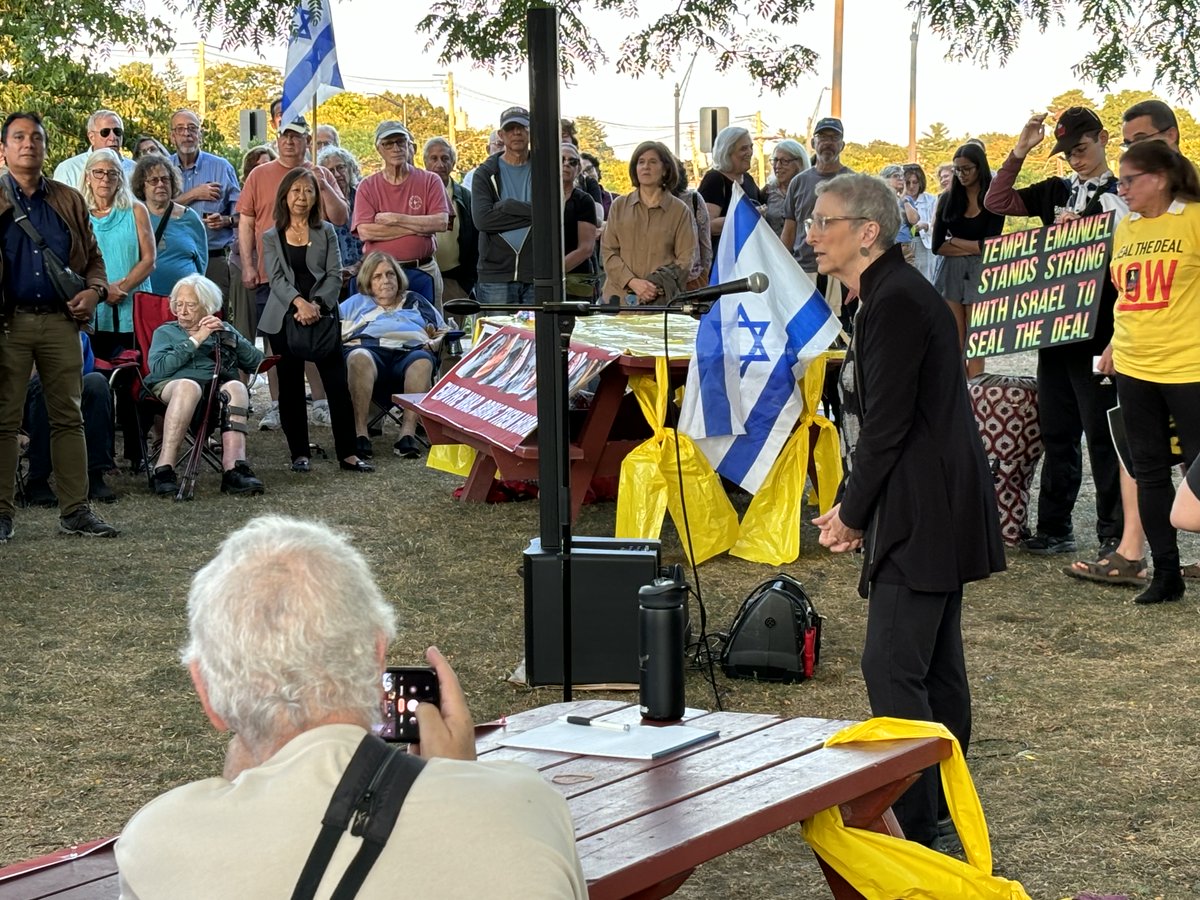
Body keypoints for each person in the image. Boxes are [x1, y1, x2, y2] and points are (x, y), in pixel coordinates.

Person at [114, 514, 588, 899]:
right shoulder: (528, 805)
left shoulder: (156, 840)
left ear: (206, 694)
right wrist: (460, 781)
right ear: (376, 655)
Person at [809, 172, 1005, 850]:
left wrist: (851, 512)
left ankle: (922, 824)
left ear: (868, 232)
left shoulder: (893, 300)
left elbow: (887, 427)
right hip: (932, 499)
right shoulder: (885, 293)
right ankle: (943, 805)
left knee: (894, 667)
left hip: (923, 506)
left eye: (824, 221)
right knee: (933, 666)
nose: (811, 233)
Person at [984, 107, 1127, 559]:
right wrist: (1020, 150)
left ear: (1103, 138)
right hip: (1055, 329)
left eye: (1081, 150)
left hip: (1101, 332)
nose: (1075, 161)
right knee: (1057, 432)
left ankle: (1114, 533)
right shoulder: (1056, 191)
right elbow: (996, 202)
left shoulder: (1122, 193)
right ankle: (1054, 526)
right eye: (1067, 154)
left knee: (1102, 435)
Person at [0, 111, 119, 541]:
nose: (28, 143)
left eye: (36, 137)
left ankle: (75, 511)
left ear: (46, 148)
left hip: (59, 322)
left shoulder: (68, 199)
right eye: (19, 137)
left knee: (69, 417)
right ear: (4, 149)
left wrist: (95, 292)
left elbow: (94, 260)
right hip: (8, 324)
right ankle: (2, 515)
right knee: (5, 420)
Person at [1105, 140, 1200, 604]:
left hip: (1189, 366)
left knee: (1196, 467)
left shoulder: (1194, 219)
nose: (1121, 189)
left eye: (1129, 180)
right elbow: (1128, 295)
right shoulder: (1127, 229)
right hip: (1134, 365)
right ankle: (1166, 573)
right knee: (1149, 470)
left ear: (1160, 178)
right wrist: (1111, 347)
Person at [237, 116, 348, 430]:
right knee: (277, 347)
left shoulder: (321, 173)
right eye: (284, 135)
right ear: (277, 138)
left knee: (317, 341)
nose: (289, 141)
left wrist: (323, 183)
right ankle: (276, 403)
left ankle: (322, 402)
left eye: (297, 136)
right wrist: (247, 263)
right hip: (271, 274)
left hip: (315, 279)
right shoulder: (260, 175)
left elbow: (341, 217)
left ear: (307, 141)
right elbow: (246, 221)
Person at [261, 167, 371, 474]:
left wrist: (318, 305)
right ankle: (299, 454)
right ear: (284, 195)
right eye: (295, 190)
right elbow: (277, 278)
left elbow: (336, 273)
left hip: (323, 315)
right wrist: (299, 303)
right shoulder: (271, 236)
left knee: (336, 384)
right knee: (291, 386)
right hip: (284, 316)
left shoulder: (326, 232)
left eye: (308, 191)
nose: (301, 197)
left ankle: (348, 454)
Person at [144, 274, 265, 497]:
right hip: (173, 386)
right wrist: (196, 339)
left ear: (207, 306)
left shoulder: (223, 329)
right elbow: (159, 369)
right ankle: (164, 469)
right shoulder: (166, 332)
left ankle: (234, 468)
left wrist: (231, 337)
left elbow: (258, 362)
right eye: (178, 304)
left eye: (190, 305)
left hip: (214, 387)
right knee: (189, 387)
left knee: (236, 388)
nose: (182, 311)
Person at [341, 252, 447, 460]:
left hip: (409, 352)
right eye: (377, 276)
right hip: (370, 352)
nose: (386, 281)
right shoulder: (354, 304)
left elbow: (443, 330)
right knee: (358, 356)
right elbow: (331, 331)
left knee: (423, 361)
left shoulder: (416, 301)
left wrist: (434, 343)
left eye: (390, 274)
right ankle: (360, 432)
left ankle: (407, 433)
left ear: (398, 278)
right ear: (368, 282)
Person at [353, 121, 450, 308]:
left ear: (409, 146)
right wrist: (418, 227)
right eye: (388, 144)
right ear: (379, 149)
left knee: (429, 329)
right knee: (383, 330)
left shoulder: (430, 180)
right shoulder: (367, 186)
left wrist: (396, 219)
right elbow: (366, 232)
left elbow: (440, 223)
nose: (396, 148)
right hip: (380, 275)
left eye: (400, 142)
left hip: (423, 269)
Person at [932, 142, 1004, 377]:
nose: (961, 175)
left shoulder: (993, 200)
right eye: (957, 170)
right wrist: (973, 247)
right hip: (951, 272)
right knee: (956, 338)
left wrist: (956, 242)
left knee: (977, 341)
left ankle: (976, 391)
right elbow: (937, 246)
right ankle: (960, 393)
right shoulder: (947, 199)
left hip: (981, 273)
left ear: (979, 167)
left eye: (966, 169)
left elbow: (991, 245)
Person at [23, 332, 116, 506]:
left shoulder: (78, 334)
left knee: (97, 382)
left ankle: (94, 474)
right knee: (44, 383)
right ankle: (37, 479)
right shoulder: (19, 331)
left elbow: (82, 374)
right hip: (27, 398)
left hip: (70, 394)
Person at [82, 148, 156, 361]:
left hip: (132, 303)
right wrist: (103, 292)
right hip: (94, 306)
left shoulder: (135, 210)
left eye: (112, 173)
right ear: (88, 176)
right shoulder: (79, 213)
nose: (105, 179)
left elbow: (149, 259)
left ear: (120, 178)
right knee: (96, 374)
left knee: (131, 373)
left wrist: (119, 288)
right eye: (99, 172)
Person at [600, 141, 695, 306]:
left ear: (665, 169)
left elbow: (685, 260)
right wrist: (632, 282)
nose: (646, 167)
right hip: (618, 303)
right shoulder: (619, 206)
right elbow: (608, 252)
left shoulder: (680, 211)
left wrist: (653, 287)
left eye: (652, 162)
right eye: (641, 162)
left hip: (661, 303)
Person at [168, 109, 241, 312]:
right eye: (180, 129)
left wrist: (225, 221)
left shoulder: (221, 167)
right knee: (175, 318)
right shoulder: (163, 169)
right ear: (172, 135)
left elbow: (242, 214)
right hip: (174, 258)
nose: (187, 134)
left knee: (215, 318)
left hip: (213, 258)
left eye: (192, 128)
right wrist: (193, 194)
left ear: (200, 134)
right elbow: (155, 210)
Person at [472, 107, 535, 305]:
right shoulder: (484, 173)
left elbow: (551, 215)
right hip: (495, 276)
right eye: (510, 128)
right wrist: (532, 213)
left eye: (522, 127)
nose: (516, 132)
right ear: (501, 135)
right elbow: (483, 221)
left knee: (538, 336)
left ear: (530, 131)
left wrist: (507, 205)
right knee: (497, 335)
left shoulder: (546, 169)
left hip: (536, 274)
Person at [132, 155, 208, 296]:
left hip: (184, 302)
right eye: (154, 180)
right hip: (145, 300)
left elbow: (201, 263)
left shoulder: (190, 218)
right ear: (142, 185)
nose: (160, 184)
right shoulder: (134, 216)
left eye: (165, 179)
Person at [226, 145, 276, 350]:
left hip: (274, 272)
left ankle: (276, 382)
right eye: (257, 166)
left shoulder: (283, 196)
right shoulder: (243, 197)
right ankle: (240, 382)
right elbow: (237, 244)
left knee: (274, 337)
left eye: (267, 164)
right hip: (245, 269)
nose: (263, 170)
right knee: (243, 334)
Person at [422, 136, 478, 303]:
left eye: (445, 158)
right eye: (434, 158)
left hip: (455, 281)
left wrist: (466, 283)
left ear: (453, 163)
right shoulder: (415, 193)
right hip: (421, 277)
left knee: (453, 329)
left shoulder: (465, 197)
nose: (440, 164)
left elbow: (476, 241)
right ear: (425, 162)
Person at [698, 125, 761, 253]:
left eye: (751, 147)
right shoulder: (714, 179)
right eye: (743, 148)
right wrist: (747, 216)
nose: (749, 152)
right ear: (726, 152)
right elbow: (707, 225)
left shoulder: (748, 179)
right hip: (722, 261)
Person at [317, 145, 364, 294]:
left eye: (341, 168)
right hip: (331, 278)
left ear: (350, 169)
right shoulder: (319, 204)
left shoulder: (364, 197)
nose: (337, 174)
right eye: (330, 171)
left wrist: (357, 267)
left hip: (365, 273)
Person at [51, 109, 136, 190]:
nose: (113, 137)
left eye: (117, 131)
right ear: (92, 137)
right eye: (105, 132)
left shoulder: (134, 169)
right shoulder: (69, 169)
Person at [560, 142, 599, 299]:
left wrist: (554, 273)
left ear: (578, 169)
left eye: (573, 161)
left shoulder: (584, 200)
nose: (566, 164)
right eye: (561, 159)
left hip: (577, 280)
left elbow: (586, 249)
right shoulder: (538, 196)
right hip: (538, 281)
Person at [672, 160, 713, 291]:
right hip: (657, 284)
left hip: (693, 281)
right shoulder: (648, 203)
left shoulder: (693, 199)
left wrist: (704, 275)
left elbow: (705, 243)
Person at [762, 139, 809, 236]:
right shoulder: (767, 192)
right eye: (775, 160)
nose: (778, 166)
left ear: (799, 163)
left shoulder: (809, 191)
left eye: (784, 161)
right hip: (773, 249)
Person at [904, 164, 937, 282]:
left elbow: (937, 226)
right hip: (903, 245)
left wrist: (925, 226)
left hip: (924, 244)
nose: (911, 186)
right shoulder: (898, 200)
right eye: (907, 182)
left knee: (925, 281)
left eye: (915, 182)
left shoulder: (931, 200)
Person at [880, 164, 918, 264]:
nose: (901, 179)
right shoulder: (879, 199)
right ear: (885, 179)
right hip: (886, 245)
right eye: (896, 176)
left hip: (905, 245)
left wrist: (904, 200)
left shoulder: (907, 200)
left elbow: (914, 220)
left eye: (902, 176)